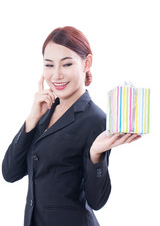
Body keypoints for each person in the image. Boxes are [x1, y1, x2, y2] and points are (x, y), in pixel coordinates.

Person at [2, 26, 141, 226]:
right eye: (49, 65)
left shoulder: (96, 119)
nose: (56, 75)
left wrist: (95, 155)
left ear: (87, 63)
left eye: (66, 64)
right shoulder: (43, 113)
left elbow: (97, 200)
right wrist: (30, 120)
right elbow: (10, 173)